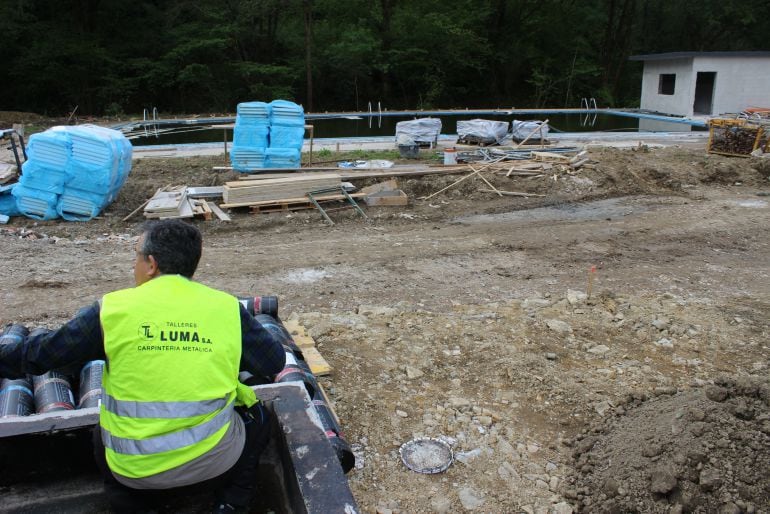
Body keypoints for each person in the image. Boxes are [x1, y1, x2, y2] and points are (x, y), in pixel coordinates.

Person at [0, 219, 286, 513]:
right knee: (258, 419)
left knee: (102, 430)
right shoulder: (225, 308)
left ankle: (127, 506)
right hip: (210, 465)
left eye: (135, 255)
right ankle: (231, 505)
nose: (134, 264)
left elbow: (41, 355)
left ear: (151, 263)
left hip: (133, 473)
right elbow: (273, 362)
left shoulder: (112, 310)